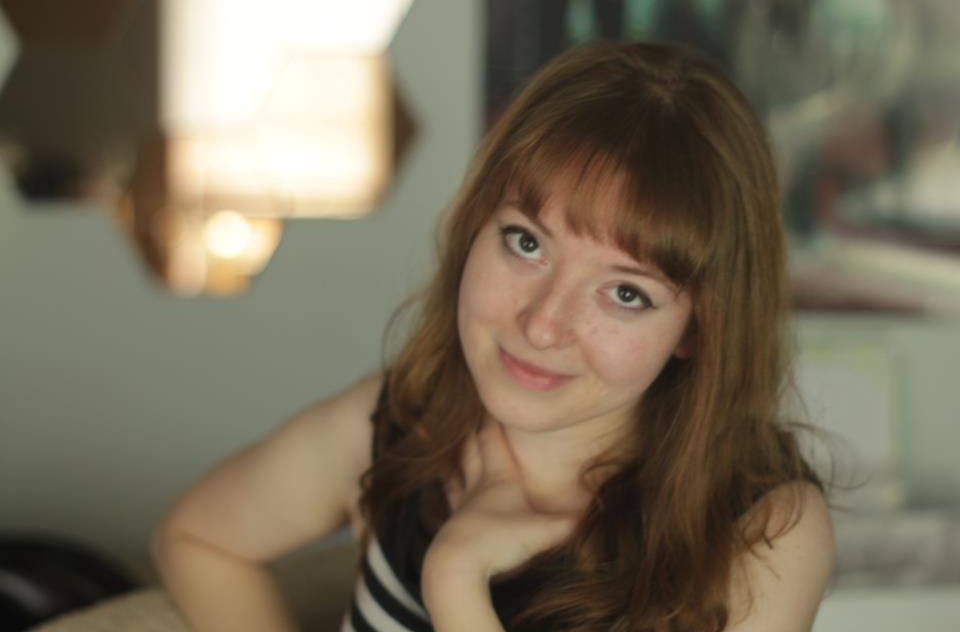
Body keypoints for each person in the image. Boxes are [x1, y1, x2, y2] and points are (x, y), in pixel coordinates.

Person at [152, 40, 834, 631]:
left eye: (626, 293)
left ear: (699, 329)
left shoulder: (763, 532)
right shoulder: (397, 424)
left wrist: (455, 579)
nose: (542, 323)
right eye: (525, 242)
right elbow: (196, 540)